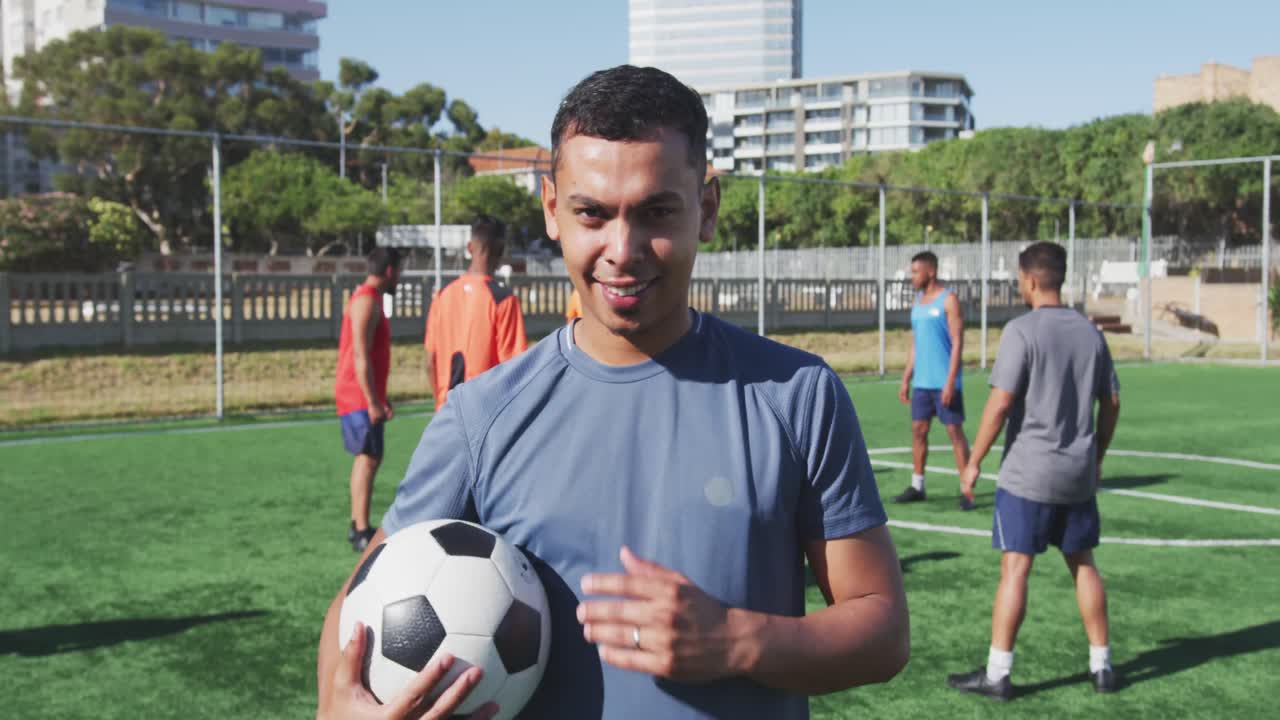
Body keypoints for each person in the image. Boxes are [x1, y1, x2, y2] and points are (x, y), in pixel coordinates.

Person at [316, 65, 909, 720]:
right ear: (551, 210)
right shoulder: (480, 416)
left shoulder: (798, 395)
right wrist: (338, 708)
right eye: (591, 213)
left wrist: (738, 641)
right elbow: (356, 605)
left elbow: (882, 630)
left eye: (656, 211)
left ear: (706, 209)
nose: (621, 250)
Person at [948, 242, 1122, 700]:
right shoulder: (1091, 333)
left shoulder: (1021, 331)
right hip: (1077, 473)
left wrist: (973, 462)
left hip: (1029, 474)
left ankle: (998, 673)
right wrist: (1097, 454)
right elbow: (1113, 402)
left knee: (1016, 569)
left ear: (1028, 280)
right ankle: (1102, 665)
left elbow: (1000, 402)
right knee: (1083, 564)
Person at [334, 246, 403, 553]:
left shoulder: (372, 299)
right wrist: (373, 401)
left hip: (366, 395)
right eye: (399, 271)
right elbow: (360, 355)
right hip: (357, 395)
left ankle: (359, 524)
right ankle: (360, 528)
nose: (399, 277)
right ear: (389, 271)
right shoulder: (364, 301)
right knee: (367, 457)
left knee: (370, 457)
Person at [893, 251, 973, 511]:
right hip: (922, 384)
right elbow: (916, 344)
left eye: (916, 271)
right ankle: (918, 485)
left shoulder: (949, 300)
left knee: (954, 432)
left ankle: (966, 489)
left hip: (944, 382)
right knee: (919, 431)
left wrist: (951, 381)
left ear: (931, 271)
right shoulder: (918, 302)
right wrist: (906, 378)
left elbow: (958, 342)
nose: (912, 276)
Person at [423, 215, 528, 408]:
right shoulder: (504, 300)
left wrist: (440, 405)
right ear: (501, 250)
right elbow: (514, 368)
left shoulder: (442, 296)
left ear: (470, 247)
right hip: (484, 415)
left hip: (447, 415)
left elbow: (430, 362)